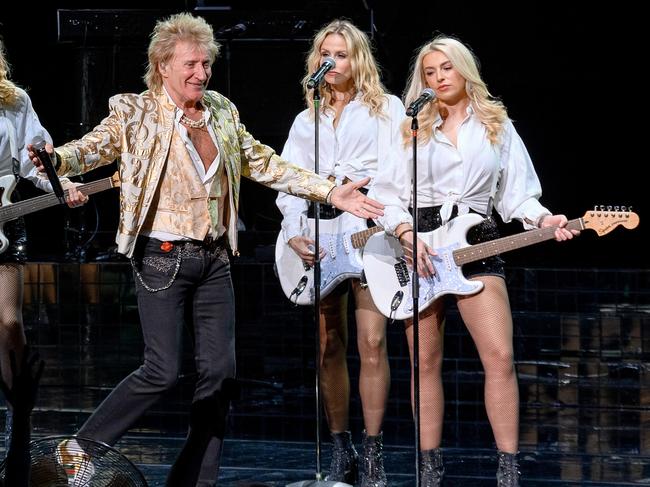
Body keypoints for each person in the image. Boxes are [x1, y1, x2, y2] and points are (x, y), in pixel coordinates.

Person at [28, 12, 383, 487]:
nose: (201, 73)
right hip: (162, 257)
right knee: (162, 369)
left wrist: (329, 192)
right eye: (191, 64)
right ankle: (79, 449)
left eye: (206, 64)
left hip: (215, 258)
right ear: (163, 67)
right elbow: (92, 149)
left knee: (219, 376)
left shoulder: (220, 110)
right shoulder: (135, 112)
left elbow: (264, 162)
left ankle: (196, 482)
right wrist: (57, 160)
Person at [369, 35, 579, 486]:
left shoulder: (496, 126)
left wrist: (546, 218)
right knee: (424, 363)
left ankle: (508, 471)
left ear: (464, 70)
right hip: (419, 248)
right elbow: (383, 197)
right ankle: (429, 471)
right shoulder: (411, 129)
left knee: (500, 357)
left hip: (478, 240)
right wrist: (405, 232)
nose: (439, 78)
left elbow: (518, 193)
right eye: (429, 72)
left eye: (446, 68)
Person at [276, 19, 404, 486]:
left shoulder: (387, 109)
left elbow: (399, 174)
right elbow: (286, 181)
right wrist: (293, 230)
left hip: (368, 234)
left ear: (358, 60)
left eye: (342, 54)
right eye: (325, 54)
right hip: (319, 236)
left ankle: (373, 451)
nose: (332, 62)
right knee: (330, 343)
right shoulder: (304, 120)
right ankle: (339, 445)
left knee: (372, 342)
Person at [0, 36, 86, 452]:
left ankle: (19, 420)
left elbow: (37, 159)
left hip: (4, 226)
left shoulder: (14, 101)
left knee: (10, 323)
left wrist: (63, 183)